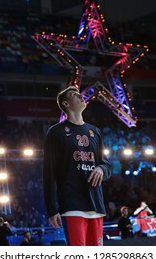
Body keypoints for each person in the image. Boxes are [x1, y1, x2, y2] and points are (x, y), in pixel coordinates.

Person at [43, 86, 111, 246]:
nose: (81, 96)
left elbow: (107, 165)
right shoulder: (55, 132)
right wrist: (52, 209)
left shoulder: (95, 131)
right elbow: (48, 173)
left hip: (96, 204)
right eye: (75, 95)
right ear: (66, 104)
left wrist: (101, 169)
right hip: (72, 204)